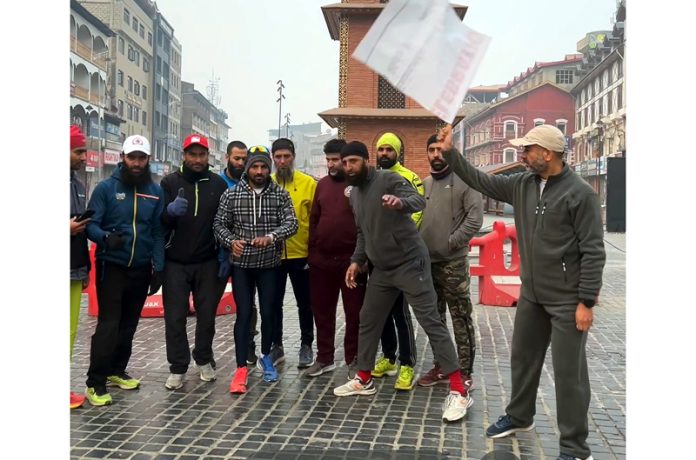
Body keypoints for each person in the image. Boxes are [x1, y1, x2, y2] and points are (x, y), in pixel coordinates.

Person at [436, 124, 605, 460]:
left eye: (528, 150)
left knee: (569, 374)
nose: (523, 156)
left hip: (567, 300)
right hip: (531, 294)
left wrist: (586, 301)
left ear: (548, 153)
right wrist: (451, 154)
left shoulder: (580, 193)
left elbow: (593, 250)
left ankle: (574, 447)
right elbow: (483, 181)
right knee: (523, 359)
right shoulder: (523, 185)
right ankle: (519, 416)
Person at [332, 141, 473, 423]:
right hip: (382, 269)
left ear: (365, 161)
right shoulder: (356, 194)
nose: (348, 167)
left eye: (353, 162)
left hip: (410, 263)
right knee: (368, 319)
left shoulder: (388, 178)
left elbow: (418, 200)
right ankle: (363, 378)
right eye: (344, 163)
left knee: (431, 321)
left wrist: (400, 203)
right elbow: (363, 232)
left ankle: (459, 390)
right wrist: (357, 260)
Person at [84, 135, 165, 406]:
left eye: (142, 158)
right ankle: (95, 383)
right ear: (123, 157)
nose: (137, 163)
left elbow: (156, 232)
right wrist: (105, 238)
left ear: (148, 160)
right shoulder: (106, 188)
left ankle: (117, 371)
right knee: (109, 324)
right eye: (132, 157)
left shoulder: (155, 191)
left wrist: (159, 267)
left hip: (141, 268)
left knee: (129, 325)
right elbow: (91, 224)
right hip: (112, 266)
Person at [214, 146, 298, 393]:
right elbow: (218, 224)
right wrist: (231, 241)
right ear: (247, 168)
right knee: (243, 315)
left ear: (268, 168)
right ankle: (241, 367)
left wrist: (272, 237)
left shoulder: (279, 195)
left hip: (270, 266)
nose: (259, 171)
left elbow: (292, 224)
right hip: (242, 266)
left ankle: (266, 358)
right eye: (254, 166)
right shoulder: (232, 195)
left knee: (270, 312)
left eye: (263, 167)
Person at [160, 134, 228, 390]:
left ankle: (203, 359)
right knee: (175, 317)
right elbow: (159, 222)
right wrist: (168, 212)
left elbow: (224, 222)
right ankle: (178, 367)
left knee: (207, 316)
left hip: (207, 261)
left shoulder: (218, 184)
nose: (197, 159)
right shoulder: (169, 182)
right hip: (175, 262)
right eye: (192, 154)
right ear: (184, 155)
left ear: (208, 157)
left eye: (202, 155)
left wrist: (224, 254)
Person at [417, 133, 483, 394]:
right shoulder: (424, 184)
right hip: (427, 264)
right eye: (431, 150)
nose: (436, 154)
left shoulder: (465, 181)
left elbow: (474, 219)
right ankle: (442, 366)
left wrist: (452, 241)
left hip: (453, 264)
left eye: (440, 150)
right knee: (435, 319)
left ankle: (465, 372)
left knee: (460, 318)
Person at [305, 138, 365, 379]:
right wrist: (313, 252)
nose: (331, 164)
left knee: (354, 313)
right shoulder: (322, 185)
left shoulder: (359, 186)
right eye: (328, 159)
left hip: (351, 263)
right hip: (322, 262)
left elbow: (366, 224)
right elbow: (314, 219)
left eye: (336, 160)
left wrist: (361, 260)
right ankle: (324, 358)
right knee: (322, 311)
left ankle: (353, 358)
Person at [370, 133, 419, 391]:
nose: (385, 153)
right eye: (381, 149)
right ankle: (388, 358)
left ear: (398, 152)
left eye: (390, 149)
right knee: (382, 311)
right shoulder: (371, 181)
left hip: (401, 258)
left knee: (400, 312)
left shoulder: (410, 179)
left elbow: (418, 214)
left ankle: (407, 363)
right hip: (377, 259)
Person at [270, 138, 317, 368]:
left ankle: (306, 345)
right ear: (272, 158)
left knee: (305, 303)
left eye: (286, 156)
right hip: (272, 256)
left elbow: (316, 220)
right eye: (278, 157)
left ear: (294, 156)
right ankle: (276, 346)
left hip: (302, 255)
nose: (282, 161)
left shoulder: (309, 184)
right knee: (273, 303)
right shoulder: (265, 184)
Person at [216, 140, 261, 367]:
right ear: (227, 158)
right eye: (237, 158)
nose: (241, 163)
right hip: (219, 256)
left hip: (246, 257)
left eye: (245, 159)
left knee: (247, 305)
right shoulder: (216, 183)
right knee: (210, 304)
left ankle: (249, 346)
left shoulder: (252, 184)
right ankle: (205, 354)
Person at [70, 125, 90, 410]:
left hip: (74, 268)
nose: (84, 157)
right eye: (78, 151)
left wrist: (84, 270)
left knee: (69, 331)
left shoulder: (77, 182)